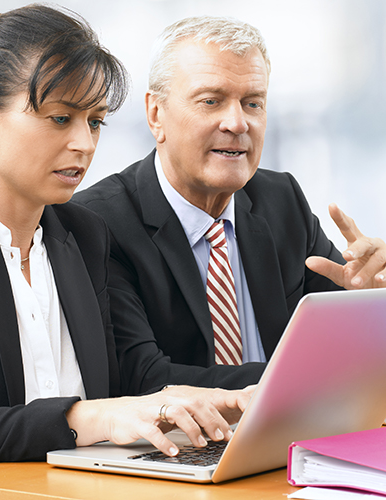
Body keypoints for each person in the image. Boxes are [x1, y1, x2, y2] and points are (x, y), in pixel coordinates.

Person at [0, 7, 254, 500]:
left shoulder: (84, 234)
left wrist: (241, 397)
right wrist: (86, 417)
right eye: (60, 118)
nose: (84, 143)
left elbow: (138, 376)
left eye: (95, 121)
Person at [73, 16, 386, 396]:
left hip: (288, 434)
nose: (238, 123)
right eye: (211, 101)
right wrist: (294, 381)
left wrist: (370, 305)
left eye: (253, 103)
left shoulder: (282, 199)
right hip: (176, 447)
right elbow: (145, 379)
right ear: (156, 115)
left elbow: (341, 347)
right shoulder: (98, 222)